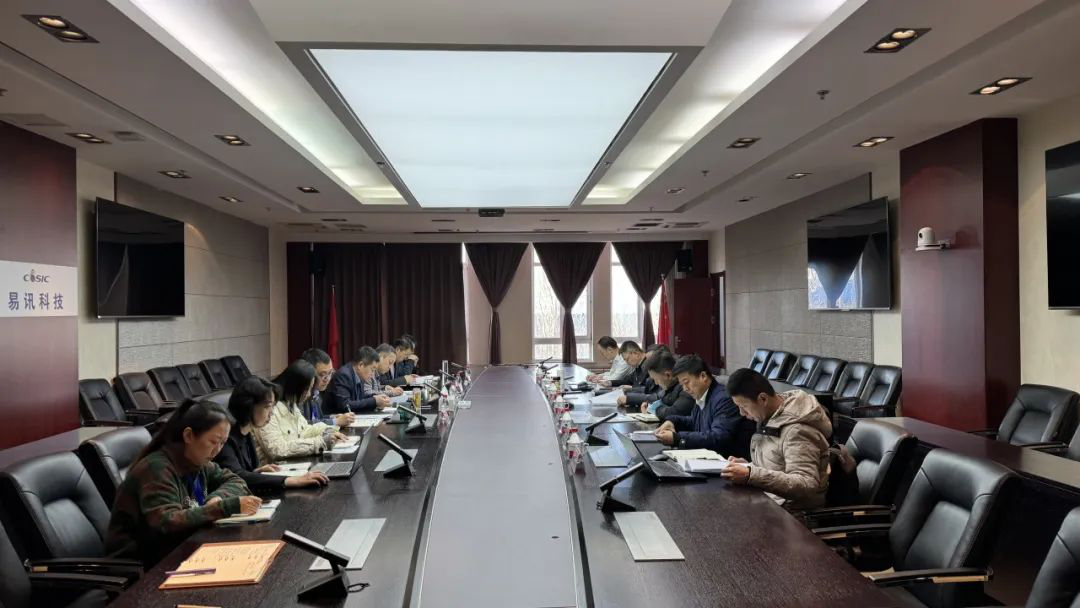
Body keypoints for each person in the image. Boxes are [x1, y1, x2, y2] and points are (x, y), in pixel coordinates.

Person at [105, 399, 260, 567]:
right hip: (143, 567)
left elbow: (236, 481)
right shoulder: (157, 468)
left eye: (223, 443)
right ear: (188, 436)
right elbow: (167, 522)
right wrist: (224, 507)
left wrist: (217, 498)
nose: (217, 450)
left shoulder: (198, 462)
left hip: (182, 549)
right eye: (213, 442)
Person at [720, 368, 833, 510]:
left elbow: (806, 483)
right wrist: (749, 466)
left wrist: (751, 474)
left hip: (793, 514)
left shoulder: (797, 430)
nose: (742, 413)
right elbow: (778, 465)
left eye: (744, 406)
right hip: (771, 501)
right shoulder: (771, 417)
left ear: (763, 399)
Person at [215, 376, 330, 494]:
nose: (272, 413)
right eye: (267, 407)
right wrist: (289, 480)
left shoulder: (246, 431)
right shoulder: (225, 436)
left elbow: (244, 472)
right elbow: (236, 477)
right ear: (248, 406)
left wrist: (255, 472)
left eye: (273, 406)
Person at [653, 355, 754, 458]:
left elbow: (718, 437)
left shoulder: (724, 399)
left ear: (703, 376)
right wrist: (672, 421)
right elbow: (694, 422)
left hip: (730, 462)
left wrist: (678, 438)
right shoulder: (703, 395)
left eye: (686, 382)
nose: (685, 389)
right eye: (682, 385)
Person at [254, 359, 349, 462]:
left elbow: (304, 430)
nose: (308, 394)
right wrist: (319, 442)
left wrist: (326, 431)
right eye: (307, 390)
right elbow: (277, 449)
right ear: (296, 387)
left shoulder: (290, 404)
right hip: (273, 467)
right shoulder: (269, 409)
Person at [325, 346, 392, 414]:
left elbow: (360, 401)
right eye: (372, 370)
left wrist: (377, 403)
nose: (372, 375)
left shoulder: (360, 375)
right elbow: (345, 405)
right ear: (361, 365)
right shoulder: (344, 375)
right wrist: (374, 401)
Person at [301, 348, 355, 427]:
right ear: (308, 373)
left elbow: (317, 418)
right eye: (322, 375)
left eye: (330, 373)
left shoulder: (316, 392)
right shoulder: (301, 395)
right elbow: (303, 425)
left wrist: (332, 417)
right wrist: (335, 421)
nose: (327, 379)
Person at [636, 351, 695, 421]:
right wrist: (649, 405)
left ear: (668, 375)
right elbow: (662, 399)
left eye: (656, 379)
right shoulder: (670, 386)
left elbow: (674, 412)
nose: (656, 383)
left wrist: (655, 409)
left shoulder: (686, 387)